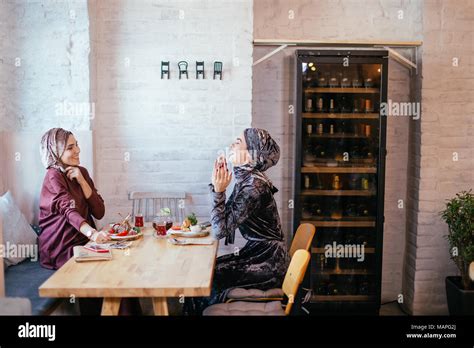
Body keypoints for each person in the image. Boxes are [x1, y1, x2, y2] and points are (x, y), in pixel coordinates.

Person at [38, 128, 141, 315]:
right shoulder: (53, 176)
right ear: (55, 151)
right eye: (70, 147)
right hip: (61, 246)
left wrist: (83, 181)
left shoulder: (81, 172)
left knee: (121, 270)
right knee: (102, 271)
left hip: (85, 241)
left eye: (76, 144)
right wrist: (93, 234)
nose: (77, 150)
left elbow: (99, 212)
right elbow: (69, 211)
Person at [186, 128, 290, 314]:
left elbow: (220, 230)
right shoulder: (248, 180)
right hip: (258, 254)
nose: (231, 145)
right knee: (209, 270)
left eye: (238, 142)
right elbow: (226, 219)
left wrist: (219, 191)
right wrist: (217, 185)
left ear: (252, 154)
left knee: (208, 277)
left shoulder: (253, 187)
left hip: (267, 262)